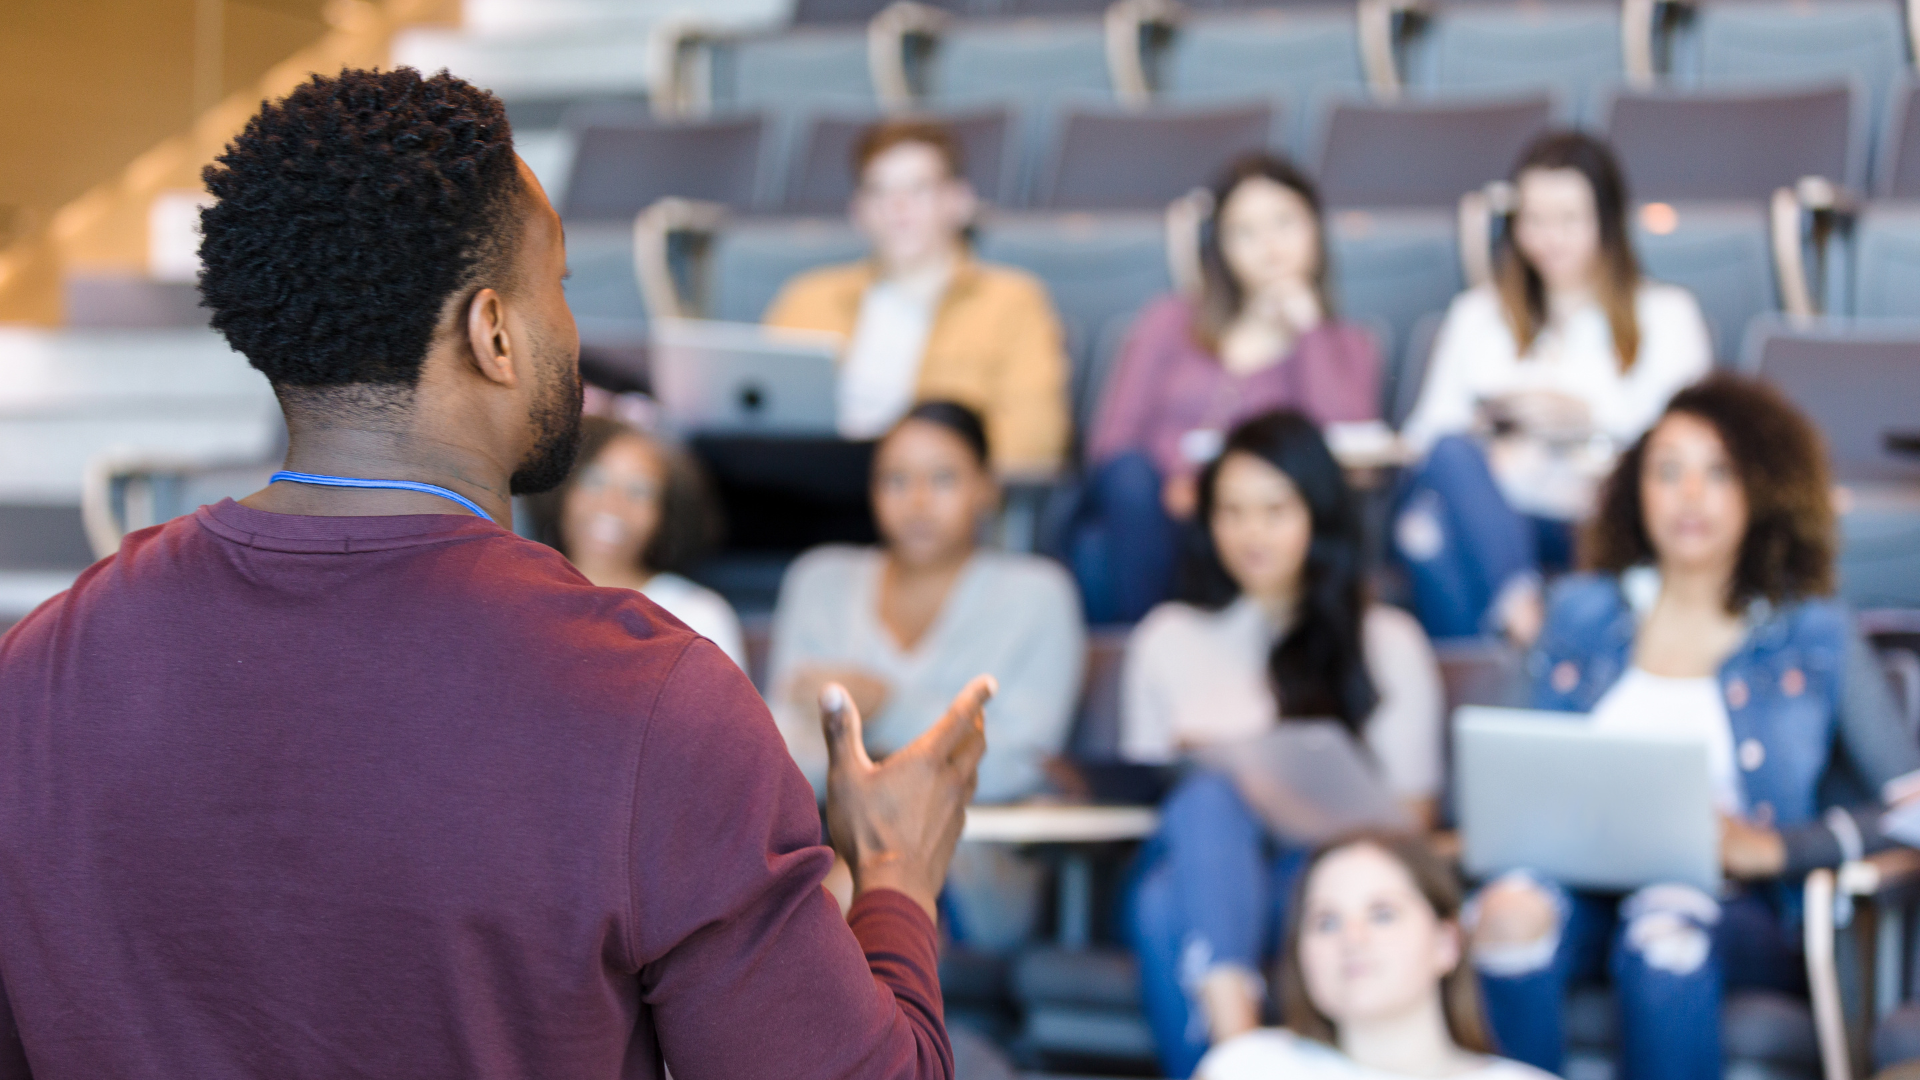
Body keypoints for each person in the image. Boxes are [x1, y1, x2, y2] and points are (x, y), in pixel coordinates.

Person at [0, 68, 994, 1080]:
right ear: (495, 333)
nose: (572, 328)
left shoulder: (40, 665)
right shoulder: (652, 701)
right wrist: (896, 876)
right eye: (555, 284)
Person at [1466, 374, 1920, 1080]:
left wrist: (1776, 849)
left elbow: (1911, 806)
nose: (1689, 495)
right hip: (1574, 887)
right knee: (1506, 917)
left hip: (1735, 909)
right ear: (1635, 490)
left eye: (1719, 473)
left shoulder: (1815, 632)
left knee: (1663, 929)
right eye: (1667, 471)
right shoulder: (1577, 611)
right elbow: (1498, 769)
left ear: (1762, 490)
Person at [1122, 411, 1445, 1077]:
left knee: (1163, 904)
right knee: (1205, 803)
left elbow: (1414, 820)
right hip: (1199, 855)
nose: (1251, 533)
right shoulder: (1166, 638)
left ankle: (1234, 1059)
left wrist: (1280, 794)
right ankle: (1240, 1048)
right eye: (1231, 512)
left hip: (1315, 881)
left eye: (1274, 510)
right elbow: (1144, 791)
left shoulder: (1386, 641)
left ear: (1318, 515)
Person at [768, 400, 1086, 950]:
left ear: (987, 488)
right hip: (820, 840)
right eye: (896, 480)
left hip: (972, 857)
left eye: (943, 479)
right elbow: (779, 750)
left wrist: (882, 707)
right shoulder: (820, 581)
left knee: (837, 903)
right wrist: (928, 736)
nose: (917, 501)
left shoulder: (1039, 595)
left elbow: (1017, 762)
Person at [1396, 131, 1713, 642]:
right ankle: (1522, 614)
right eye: (1535, 220)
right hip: (1504, 505)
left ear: (1606, 221)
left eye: (1569, 220)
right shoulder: (1477, 314)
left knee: (1422, 535)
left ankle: (1503, 658)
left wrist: (1588, 423)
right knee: (1444, 474)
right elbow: (1426, 440)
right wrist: (1490, 439)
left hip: (1601, 511)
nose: (1550, 239)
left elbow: (1687, 441)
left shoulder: (1666, 315)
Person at [1076, 155, 1384, 623]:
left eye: (1284, 223)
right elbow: (1111, 442)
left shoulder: (1346, 343)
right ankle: (1147, 646)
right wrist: (1181, 484)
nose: (1269, 246)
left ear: (1316, 231)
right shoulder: (1168, 321)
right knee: (1125, 486)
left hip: (1261, 523)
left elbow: (1348, 451)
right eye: (1245, 232)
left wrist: (1308, 332)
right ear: (1219, 246)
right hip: (1159, 514)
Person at [764, 119, 1070, 475]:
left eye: (918, 189)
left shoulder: (1012, 301)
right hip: (810, 479)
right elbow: (760, 414)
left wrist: (923, 469)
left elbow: (1034, 440)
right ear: (858, 210)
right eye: (879, 191)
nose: (898, 207)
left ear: (960, 202)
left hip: (935, 489)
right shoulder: (807, 297)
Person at [1198, 834, 1554, 1080]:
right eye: (1326, 922)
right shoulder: (1247, 1067)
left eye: (1382, 914)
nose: (1352, 938)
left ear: (1446, 943)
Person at [527, 414, 746, 669]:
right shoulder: (524, 599)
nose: (612, 503)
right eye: (594, 480)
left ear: (664, 515)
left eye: (638, 491)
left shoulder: (696, 615)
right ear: (562, 490)